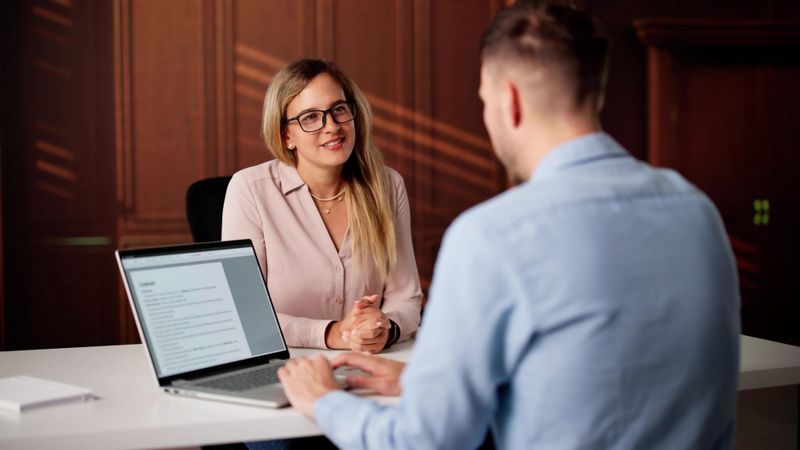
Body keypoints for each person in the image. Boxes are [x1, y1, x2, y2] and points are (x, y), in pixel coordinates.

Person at [276, 2, 741, 449]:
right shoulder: (696, 210)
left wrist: (326, 402)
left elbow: (428, 441)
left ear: (509, 101)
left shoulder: (492, 237)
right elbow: (602, 380)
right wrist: (427, 383)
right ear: (594, 89)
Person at [222, 58, 423, 354]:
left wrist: (385, 329)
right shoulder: (250, 190)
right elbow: (244, 314)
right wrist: (332, 333)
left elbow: (406, 299)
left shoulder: (387, 186)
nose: (331, 127)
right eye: (310, 117)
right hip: (282, 364)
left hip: (367, 362)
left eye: (338, 110)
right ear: (286, 135)